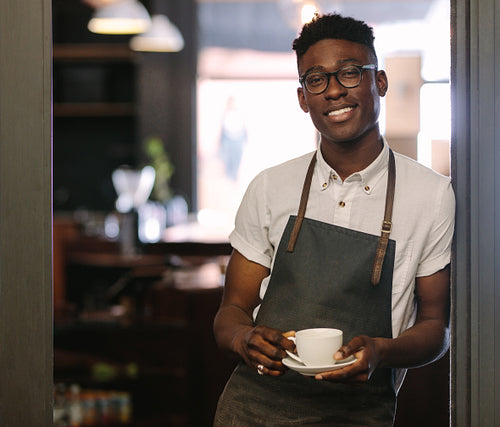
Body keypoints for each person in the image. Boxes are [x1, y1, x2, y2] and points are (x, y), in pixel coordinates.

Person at [213, 12, 455, 426]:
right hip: (251, 411)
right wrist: (243, 338)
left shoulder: (431, 195)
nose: (333, 91)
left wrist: (381, 352)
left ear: (379, 82)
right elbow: (230, 311)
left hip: (357, 415)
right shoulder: (270, 187)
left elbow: (436, 328)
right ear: (303, 98)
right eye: (316, 79)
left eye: (349, 73)